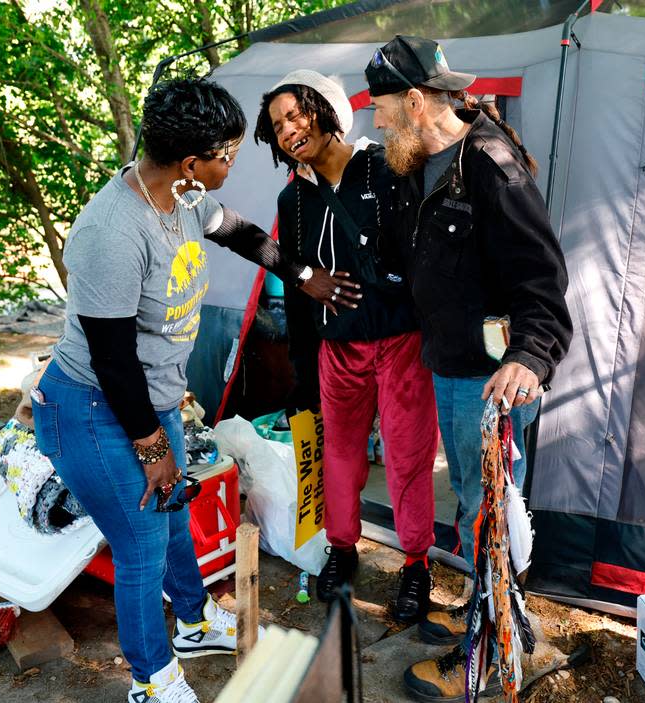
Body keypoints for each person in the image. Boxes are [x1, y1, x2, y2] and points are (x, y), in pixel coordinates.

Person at [32, 78, 350, 703]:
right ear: (189, 163)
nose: (233, 162)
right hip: (91, 407)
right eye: (227, 152)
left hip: (149, 400)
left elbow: (238, 231)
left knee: (176, 511)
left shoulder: (180, 199)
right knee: (143, 540)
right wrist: (152, 448)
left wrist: (304, 274)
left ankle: (195, 625)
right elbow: (112, 358)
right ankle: (150, 680)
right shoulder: (112, 233)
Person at [364, 36, 573, 702]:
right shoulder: (413, 164)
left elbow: (543, 281)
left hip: (488, 379)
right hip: (447, 363)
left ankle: (488, 659)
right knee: (481, 512)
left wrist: (530, 356)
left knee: (489, 514)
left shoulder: (489, 164)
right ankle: (496, 616)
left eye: (381, 105)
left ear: (416, 100)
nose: (375, 119)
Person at [253, 70, 440, 622]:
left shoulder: (387, 167)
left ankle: (415, 563)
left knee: (408, 455)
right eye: (278, 126)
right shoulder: (293, 201)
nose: (289, 130)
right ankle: (341, 548)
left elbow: (420, 255)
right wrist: (301, 374)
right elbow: (298, 291)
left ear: (324, 108)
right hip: (339, 350)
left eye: (296, 115)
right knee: (340, 452)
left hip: (402, 341)